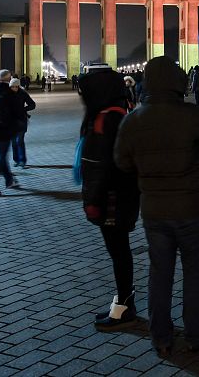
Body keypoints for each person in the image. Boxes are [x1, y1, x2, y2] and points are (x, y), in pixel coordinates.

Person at [114, 56, 199, 358]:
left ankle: (162, 339)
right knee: (195, 276)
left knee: (159, 275)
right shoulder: (189, 114)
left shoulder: (134, 119)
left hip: (154, 211)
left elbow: (121, 162)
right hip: (193, 208)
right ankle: (195, 335)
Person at [78, 66, 141, 331]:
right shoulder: (117, 113)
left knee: (119, 252)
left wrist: (93, 201)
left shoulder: (107, 118)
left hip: (111, 198)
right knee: (119, 251)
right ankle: (123, 302)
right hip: (118, 196)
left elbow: (100, 166)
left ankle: (125, 306)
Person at [0, 69, 26, 196]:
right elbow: (18, 112)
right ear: (9, 79)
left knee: (2, 154)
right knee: (1, 157)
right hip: (7, 130)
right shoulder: (10, 94)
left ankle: (9, 180)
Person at [9, 77, 36, 169]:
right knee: (13, 142)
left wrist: (23, 109)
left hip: (21, 120)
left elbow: (32, 105)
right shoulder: (7, 94)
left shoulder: (23, 93)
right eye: (12, 87)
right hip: (11, 121)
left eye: (16, 87)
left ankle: (22, 160)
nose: (14, 89)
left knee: (19, 140)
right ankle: (16, 160)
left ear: (18, 86)